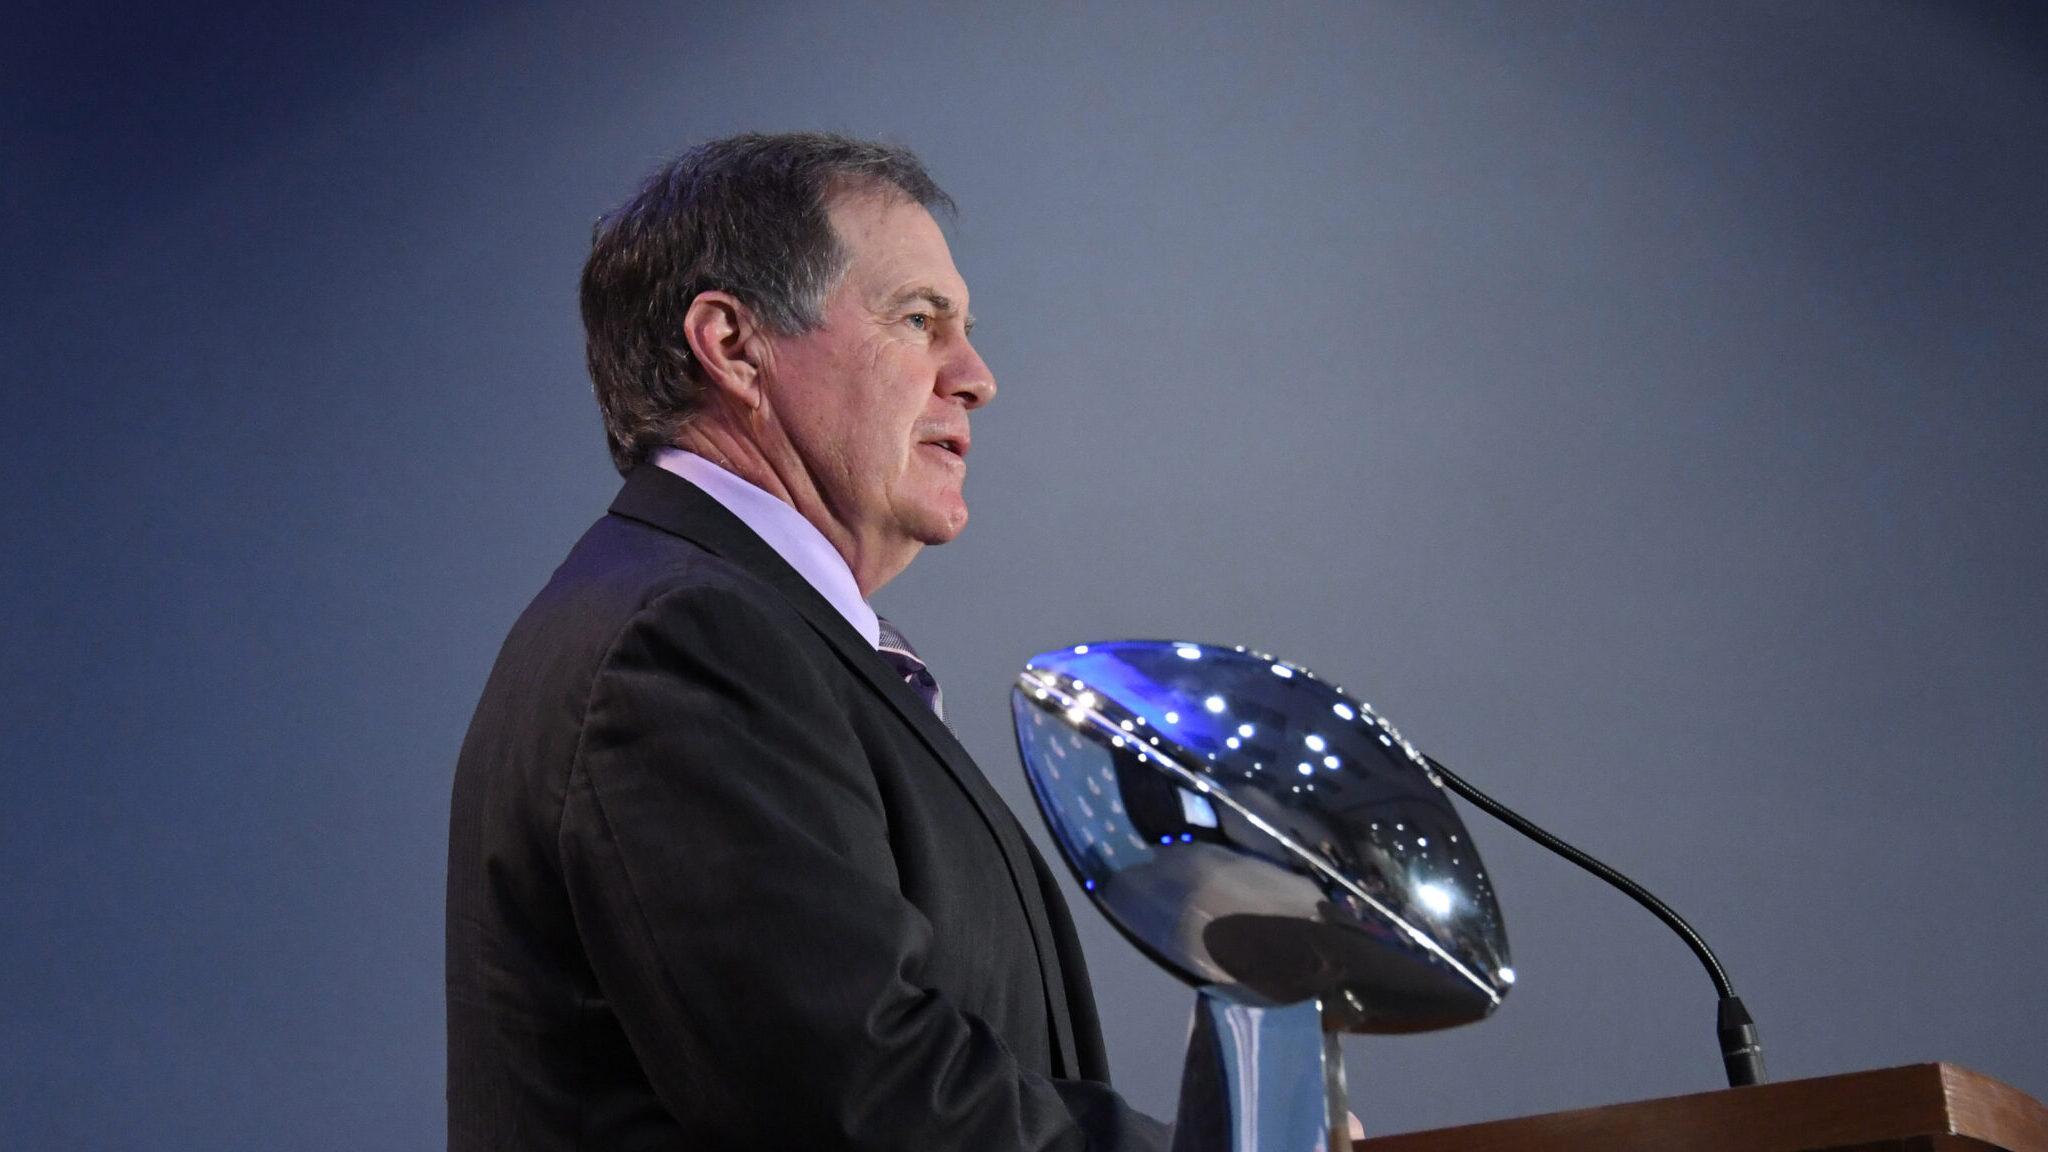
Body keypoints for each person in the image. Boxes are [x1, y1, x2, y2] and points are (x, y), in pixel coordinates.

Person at [445, 132, 1171, 1150]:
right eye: (918, 321)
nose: (975, 377)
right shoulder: (687, 642)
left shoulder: (730, 624)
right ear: (734, 347)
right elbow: (864, 1103)